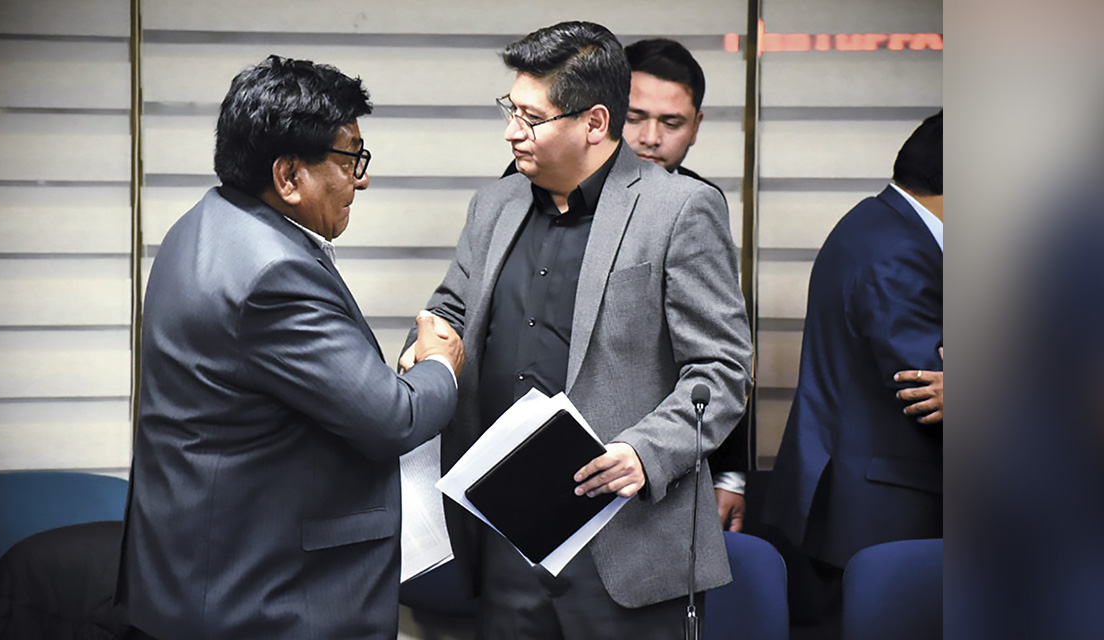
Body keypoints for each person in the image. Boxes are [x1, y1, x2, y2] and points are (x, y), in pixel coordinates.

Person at [402, 22, 752, 638]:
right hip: (505, 526)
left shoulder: (679, 210)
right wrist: (422, 354)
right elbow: (448, 313)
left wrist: (648, 453)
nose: (513, 130)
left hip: (626, 535)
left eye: (532, 117)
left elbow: (721, 371)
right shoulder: (495, 205)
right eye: (511, 110)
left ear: (593, 123)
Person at [115, 56, 464, 640]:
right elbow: (391, 418)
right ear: (288, 176)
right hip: (260, 599)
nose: (362, 178)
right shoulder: (273, 273)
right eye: (351, 157)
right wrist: (438, 365)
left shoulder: (201, 225)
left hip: (200, 575)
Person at [761, 111, 943, 638]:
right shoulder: (898, 252)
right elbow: (928, 386)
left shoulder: (879, 222)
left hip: (866, 497)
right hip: (883, 506)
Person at [623, 37, 752, 533]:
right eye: (635, 117)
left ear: (696, 126)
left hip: (665, 453)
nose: (651, 137)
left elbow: (722, 346)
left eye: (671, 122)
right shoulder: (546, 185)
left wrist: (731, 476)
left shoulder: (698, 203)